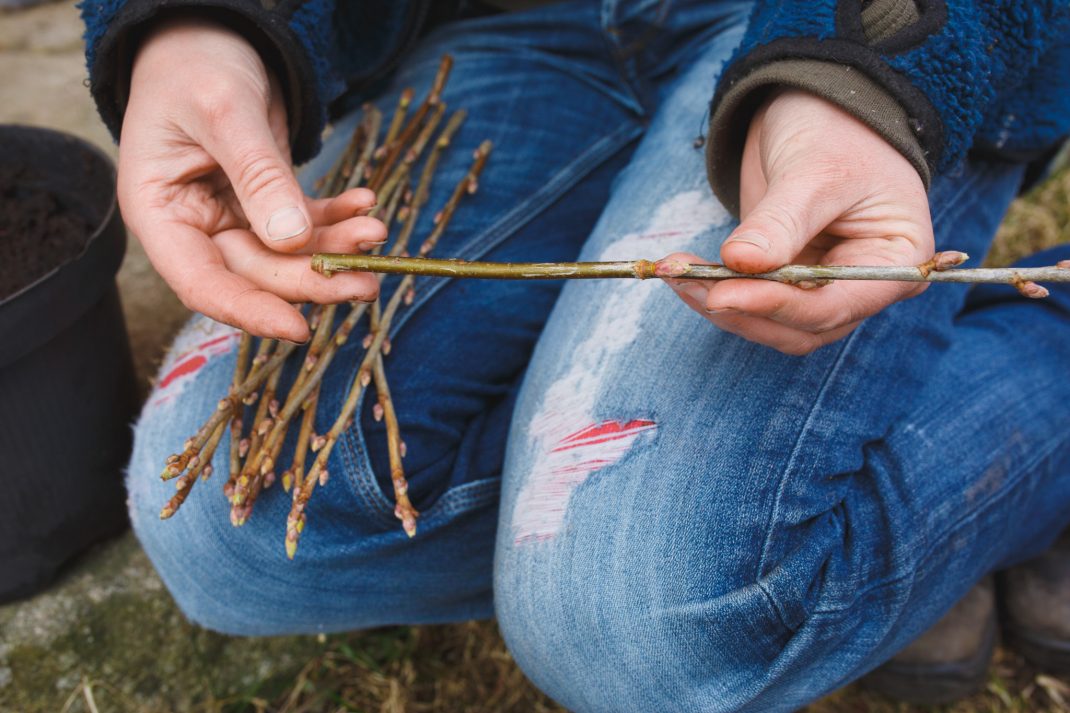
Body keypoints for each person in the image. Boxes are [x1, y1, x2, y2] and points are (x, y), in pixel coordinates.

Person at [80, 0, 1070, 710]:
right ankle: (806, 491)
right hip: (488, 22)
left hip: (844, 31)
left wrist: (858, 63)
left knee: (641, 622)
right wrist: (194, 25)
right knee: (232, 533)